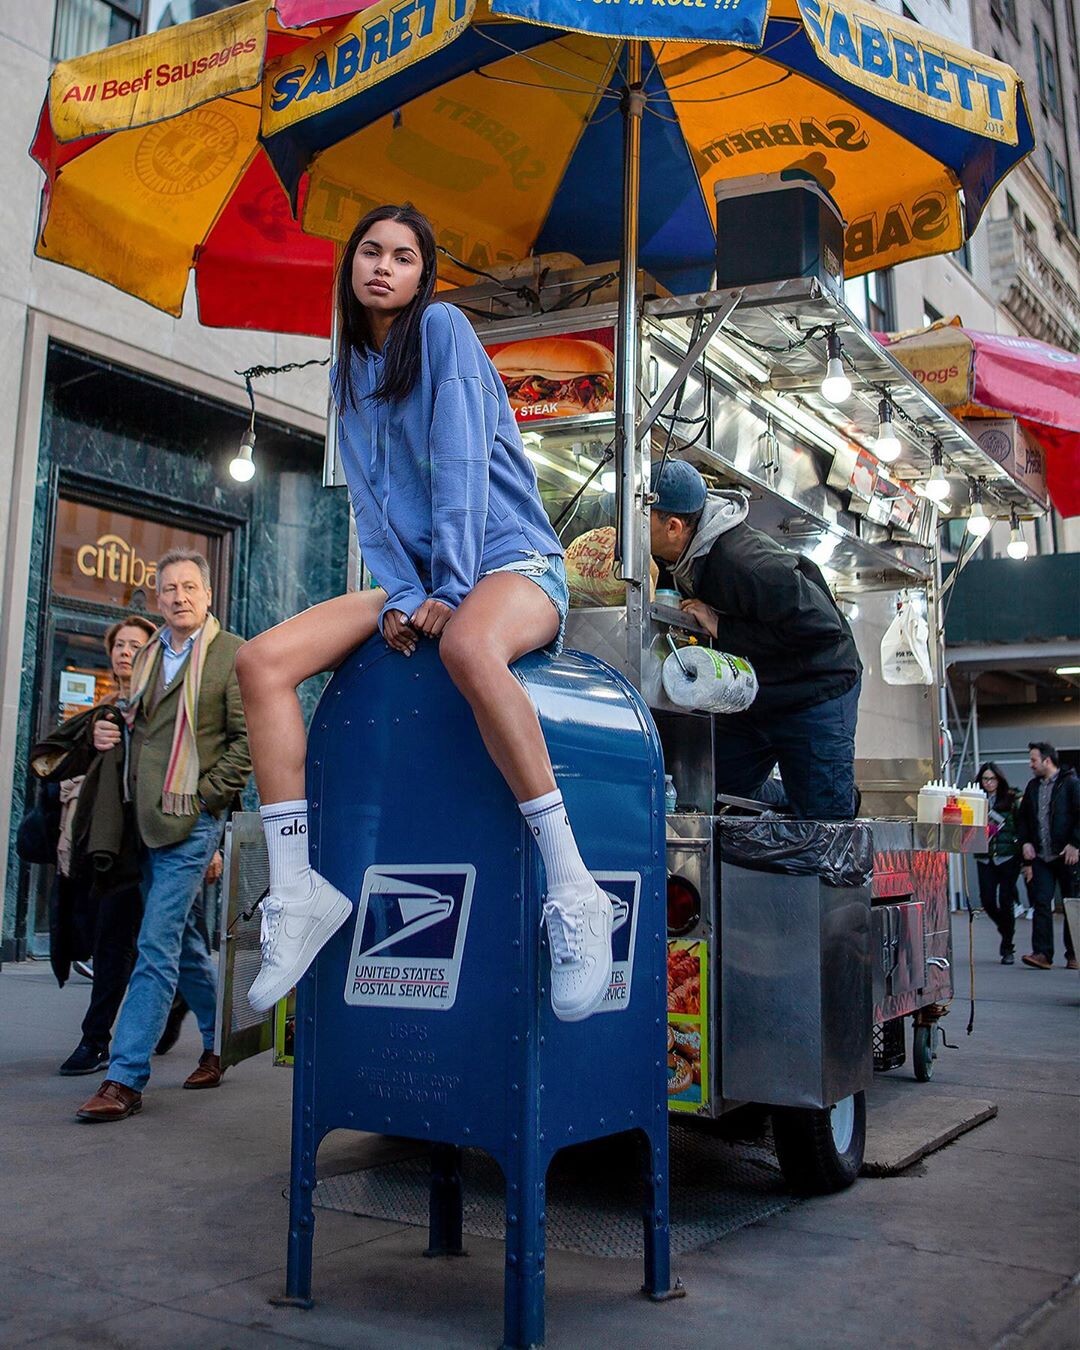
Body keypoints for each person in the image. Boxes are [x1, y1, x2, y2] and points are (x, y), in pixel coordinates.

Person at [238, 203, 613, 1025]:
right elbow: (371, 507)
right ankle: (297, 893)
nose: (383, 267)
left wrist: (446, 588)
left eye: (403, 257)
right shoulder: (347, 372)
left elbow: (461, 465)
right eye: (370, 252)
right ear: (350, 266)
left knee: (470, 649)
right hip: (424, 578)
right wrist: (408, 595)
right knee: (259, 662)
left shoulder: (442, 329)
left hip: (510, 559)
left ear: (423, 275)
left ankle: (576, 888)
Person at [75, 550, 252, 1121]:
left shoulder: (230, 654)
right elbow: (138, 727)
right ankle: (218, 1042)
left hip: (190, 821)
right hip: (140, 821)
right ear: (158, 598)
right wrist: (107, 730)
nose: (179, 597)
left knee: (154, 944)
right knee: (183, 942)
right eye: (169, 588)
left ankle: (124, 1077)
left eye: (189, 587)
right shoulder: (150, 653)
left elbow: (246, 741)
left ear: (208, 594)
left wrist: (205, 800)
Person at [649, 459, 862, 820]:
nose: (631, 526)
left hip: (817, 688)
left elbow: (823, 626)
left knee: (823, 819)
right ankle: (800, 790)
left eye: (642, 517)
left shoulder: (744, 562)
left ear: (673, 526)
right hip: (758, 689)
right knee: (708, 784)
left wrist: (723, 627)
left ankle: (832, 794)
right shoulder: (676, 557)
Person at [58, 615, 156, 1075]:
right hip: (113, 845)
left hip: (161, 840)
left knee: (178, 945)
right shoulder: (101, 711)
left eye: (136, 645)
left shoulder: (162, 707)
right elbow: (60, 763)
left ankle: (183, 1013)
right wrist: (93, 741)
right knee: (111, 939)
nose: (125, 652)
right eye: (119, 645)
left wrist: (213, 844)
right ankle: (96, 1038)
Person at [1017, 742, 1079, 971]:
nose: (1030, 764)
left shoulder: (1071, 784)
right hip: (1042, 856)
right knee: (1041, 902)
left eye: (1033, 760)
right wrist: (1025, 842)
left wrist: (1075, 844)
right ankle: (1042, 953)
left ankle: (1074, 953)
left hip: (1067, 855)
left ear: (1047, 760)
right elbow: (1023, 819)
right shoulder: (1033, 787)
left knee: (1072, 904)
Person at [973, 761, 1022, 966]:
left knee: (1006, 899)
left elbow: (1020, 823)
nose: (989, 783)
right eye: (985, 779)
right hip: (985, 856)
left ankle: (1007, 947)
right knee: (987, 900)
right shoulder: (975, 798)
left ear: (999, 779)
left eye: (992, 779)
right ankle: (1006, 929)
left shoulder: (1011, 798)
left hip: (1007, 855)